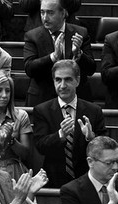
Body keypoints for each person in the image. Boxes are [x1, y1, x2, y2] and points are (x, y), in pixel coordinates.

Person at [33, 59, 107, 189]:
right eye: (58, 80)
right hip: (54, 181)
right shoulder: (42, 110)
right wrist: (60, 135)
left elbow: (105, 149)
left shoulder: (94, 111)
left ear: (77, 81)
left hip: (87, 181)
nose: (62, 85)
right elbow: (40, 146)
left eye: (67, 79)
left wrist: (91, 138)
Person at [24, 0, 96, 106]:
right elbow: (29, 68)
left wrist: (78, 54)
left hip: (77, 98)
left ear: (63, 13)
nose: (45, 17)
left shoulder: (80, 33)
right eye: (42, 12)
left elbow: (91, 69)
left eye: (50, 13)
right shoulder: (32, 36)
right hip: (43, 99)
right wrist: (53, 57)